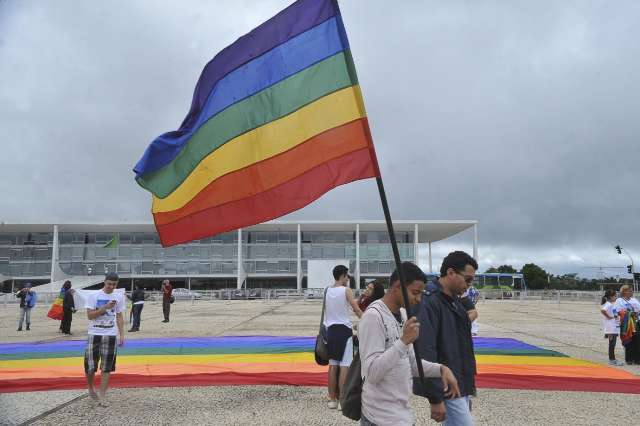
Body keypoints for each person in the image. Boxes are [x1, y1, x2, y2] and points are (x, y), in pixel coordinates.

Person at [359, 261, 459, 426]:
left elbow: (411, 362)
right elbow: (372, 373)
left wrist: (441, 369)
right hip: (379, 418)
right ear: (397, 286)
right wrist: (404, 341)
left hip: (402, 416)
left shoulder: (404, 315)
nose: (419, 299)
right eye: (415, 292)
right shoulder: (373, 316)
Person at [414, 251, 478, 425]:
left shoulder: (454, 300)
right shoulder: (430, 301)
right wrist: (435, 398)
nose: (469, 285)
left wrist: (467, 388)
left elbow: (461, 342)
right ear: (451, 273)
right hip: (446, 384)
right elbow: (426, 350)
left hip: (459, 382)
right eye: (468, 279)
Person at [324, 265, 363, 409]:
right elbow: (356, 308)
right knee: (345, 365)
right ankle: (342, 400)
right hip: (344, 331)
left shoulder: (326, 290)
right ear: (342, 276)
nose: (348, 279)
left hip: (331, 331)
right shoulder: (346, 290)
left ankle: (332, 399)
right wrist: (367, 320)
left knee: (333, 365)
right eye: (347, 276)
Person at [84, 272, 125, 406]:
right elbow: (90, 316)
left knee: (107, 367)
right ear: (104, 282)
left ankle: (102, 396)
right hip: (94, 333)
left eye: (114, 284)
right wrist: (105, 308)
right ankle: (90, 387)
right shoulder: (93, 296)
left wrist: (122, 335)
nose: (111, 287)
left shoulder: (119, 296)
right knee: (90, 366)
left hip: (110, 335)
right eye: (109, 284)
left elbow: (119, 316)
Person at [614, 285, 640, 365]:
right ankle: (629, 359)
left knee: (637, 341)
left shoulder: (634, 299)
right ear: (625, 291)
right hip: (626, 324)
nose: (632, 292)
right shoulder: (619, 300)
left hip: (637, 322)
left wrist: (637, 313)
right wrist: (628, 313)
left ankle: (637, 360)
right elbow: (617, 311)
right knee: (629, 341)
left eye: (631, 291)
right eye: (630, 291)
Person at [600, 289, 623, 366]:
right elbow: (603, 310)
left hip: (613, 327)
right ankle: (612, 360)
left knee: (612, 344)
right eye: (615, 296)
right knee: (612, 344)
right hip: (610, 328)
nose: (616, 297)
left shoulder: (611, 304)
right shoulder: (608, 304)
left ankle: (612, 359)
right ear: (610, 297)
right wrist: (609, 317)